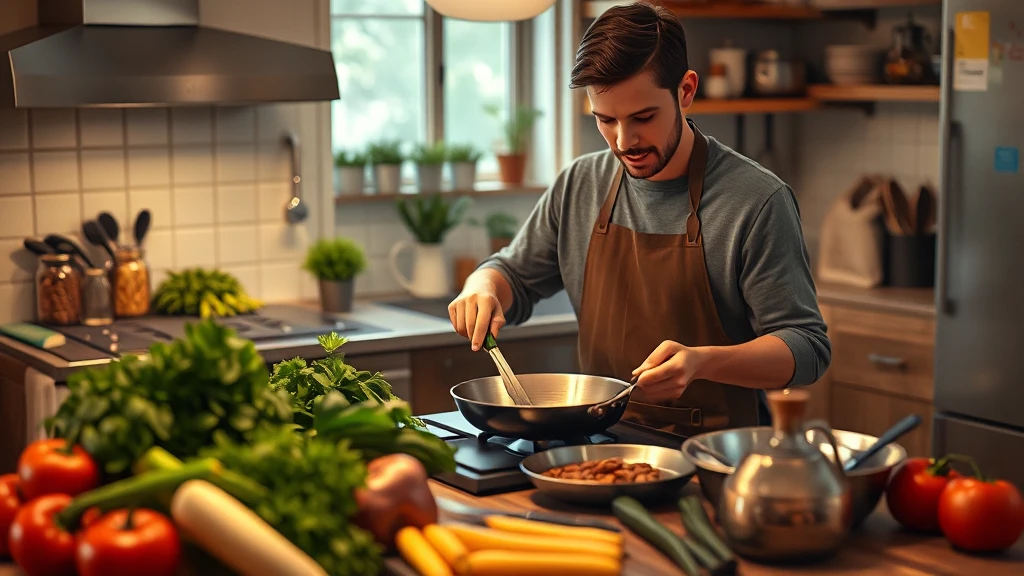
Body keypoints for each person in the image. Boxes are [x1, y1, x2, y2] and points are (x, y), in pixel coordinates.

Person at [447, 2, 830, 435]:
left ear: (685, 91)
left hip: (713, 457)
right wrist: (483, 286)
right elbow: (513, 275)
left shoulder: (757, 200)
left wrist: (703, 362)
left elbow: (807, 347)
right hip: (592, 449)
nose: (624, 141)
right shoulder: (581, 183)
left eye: (643, 118)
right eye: (605, 120)